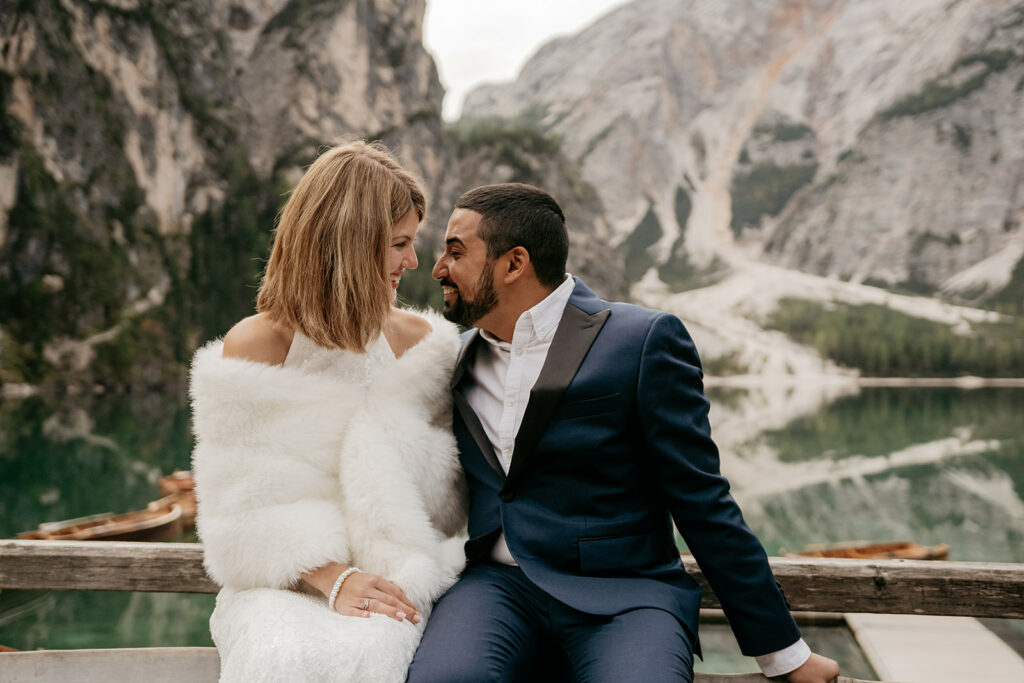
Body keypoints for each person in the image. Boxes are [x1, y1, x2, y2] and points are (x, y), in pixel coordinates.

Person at [407, 183, 842, 682]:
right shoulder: (455, 358)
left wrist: (784, 654)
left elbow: (702, 500)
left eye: (455, 251)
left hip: (625, 595)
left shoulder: (643, 341)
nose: (437, 268)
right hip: (497, 591)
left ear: (514, 264)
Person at [189, 141, 467, 682]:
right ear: (350, 244)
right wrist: (335, 579)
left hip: (395, 576)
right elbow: (238, 512)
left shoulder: (426, 347)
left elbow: (450, 498)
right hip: (285, 583)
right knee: (283, 658)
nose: (413, 262)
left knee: (378, 649)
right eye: (399, 244)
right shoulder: (257, 345)